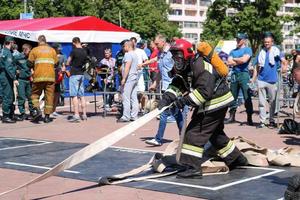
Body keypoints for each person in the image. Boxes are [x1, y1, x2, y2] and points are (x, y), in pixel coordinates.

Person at [158, 39, 248, 178]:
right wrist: (167, 98)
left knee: (193, 134)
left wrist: (183, 102)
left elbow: (205, 92)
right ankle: (236, 159)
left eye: (178, 55)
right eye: (174, 55)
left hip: (216, 102)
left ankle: (193, 167)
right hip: (212, 103)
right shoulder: (185, 66)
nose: (176, 59)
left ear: (187, 54)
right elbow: (178, 83)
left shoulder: (199, 65)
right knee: (215, 134)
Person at [145, 35, 187, 146]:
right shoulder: (160, 54)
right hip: (165, 88)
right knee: (177, 115)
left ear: (163, 42)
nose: (155, 46)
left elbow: (180, 69)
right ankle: (184, 138)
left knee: (163, 113)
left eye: (157, 44)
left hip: (174, 88)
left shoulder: (171, 53)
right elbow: (160, 71)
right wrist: (155, 83)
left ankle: (158, 139)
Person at [252, 32, 287, 128]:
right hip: (261, 80)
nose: (266, 43)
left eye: (268, 42)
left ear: (272, 42)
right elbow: (256, 66)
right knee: (261, 102)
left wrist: (284, 67)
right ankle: (262, 121)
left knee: (272, 102)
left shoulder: (276, 51)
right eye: (265, 42)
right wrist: (253, 79)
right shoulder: (261, 52)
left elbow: (284, 61)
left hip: (272, 80)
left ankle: (271, 120)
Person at [225, 33, 253, 125]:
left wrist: (235, 60)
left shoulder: (247, 49)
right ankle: (232, 117)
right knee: (233, 96)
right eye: (237, 39)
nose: (237, 41)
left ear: (244, 40)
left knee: (247, 96)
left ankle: (249, 118)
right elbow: (229, 62)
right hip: (234, 75)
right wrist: (239, 60)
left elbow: (244, 60)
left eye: (239, 39)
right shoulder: (232, 51)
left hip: (244, 75)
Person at [28, 35, 58, 123]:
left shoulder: (34, 50)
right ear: (45, 41)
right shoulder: (52, 50)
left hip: (38, 77)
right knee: (49, 97)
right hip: (50, 78)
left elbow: (29, 63)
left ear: (38, 41)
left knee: (34, 95)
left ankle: (37, 110)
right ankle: (47, 117)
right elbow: (56, 63)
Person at [66, 37, 88, 122]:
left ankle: (76, 115)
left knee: (74, 95)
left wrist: (68, 64)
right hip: (81, 74)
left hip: (74, 74)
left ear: (74, 42)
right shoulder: (84, 51)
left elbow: (68, 62)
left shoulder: (74, 51)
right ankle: (84, 114)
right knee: (81, 95)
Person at [117, 40, 139, 122]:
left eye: (124, 46)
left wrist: (123, 78)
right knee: (134, 97)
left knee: (126, 97)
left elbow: (127, 67)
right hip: (134, 77)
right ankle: (134, 115)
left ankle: (126, 116)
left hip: (129, 78)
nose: (123, 48)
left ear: (128, 46)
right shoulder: (135, 54)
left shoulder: (128, 54)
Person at [13, 43, 34, 121]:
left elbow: (32, 67)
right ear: (25, 50)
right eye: (29, 50)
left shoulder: (31, 58)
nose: (30, 52)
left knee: (30, 97)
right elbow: (13, 67)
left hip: (29, 80)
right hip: (21, 80)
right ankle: (22, 113)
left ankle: (32, 112)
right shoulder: (17, 57)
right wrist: (15, 78)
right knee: (21, 97)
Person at [0, 36, 17, 123]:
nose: (14, 44)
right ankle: (6, 116)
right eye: (13, 43)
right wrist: (14, 78)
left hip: (3, 75)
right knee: (8, 95)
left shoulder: (2, 51)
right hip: (6, 76)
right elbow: (9, 67)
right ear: (10, 42)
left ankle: (9, 114)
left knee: (7, 95)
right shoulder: (7, 53)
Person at [52, 43, 67, 116]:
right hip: (52, 76)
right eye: (58, 48)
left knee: (59, 91)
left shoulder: (63, 56)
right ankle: (50, 110)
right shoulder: (51, 55)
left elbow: (64, 65)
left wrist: (63, 69)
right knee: (51, 93)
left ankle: (54, 109)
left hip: (60, 76)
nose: (59, 49)